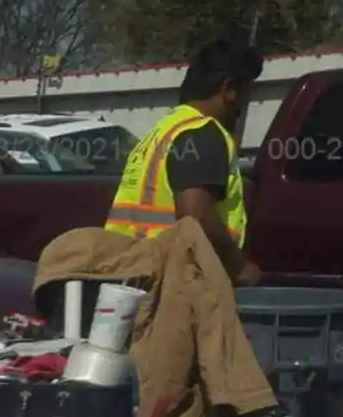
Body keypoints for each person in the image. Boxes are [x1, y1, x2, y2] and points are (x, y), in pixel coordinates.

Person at [106, 40, 264, 287]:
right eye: (246, 93)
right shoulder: (203, 132)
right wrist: (239, 267)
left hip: (133, 276)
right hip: (173, 283)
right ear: (230, 89)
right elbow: (196, 216)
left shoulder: (162, 130)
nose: (244, 106)